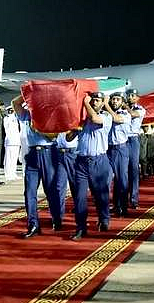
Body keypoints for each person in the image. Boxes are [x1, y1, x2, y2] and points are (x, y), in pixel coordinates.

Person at [11, 95, 61, 238]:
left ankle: (56, 218)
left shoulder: (50, 115)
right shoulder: (26, 115)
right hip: (32, 153)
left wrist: (39, 129)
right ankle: (33, 224)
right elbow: (15, 103)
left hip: (48, 152)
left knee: (50, 189)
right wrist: (29, 92)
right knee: (29, 192)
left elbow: (54, 135)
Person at [69, 92, 113, 240]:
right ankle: (81, 227)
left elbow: (94, 118)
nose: (94, 103)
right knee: (79, 196)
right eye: (92, 100)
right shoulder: (83, 118)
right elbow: (68, 138)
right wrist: (76, 128)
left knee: (101, 195)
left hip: (98, 161)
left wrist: (86, 103)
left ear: (102, 103)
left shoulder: (106, 116)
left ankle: (104, 219)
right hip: (81, 161)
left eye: (97, 100)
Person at [106, 92, 131, 216]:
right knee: (108, 179)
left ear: (122, 102)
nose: (114, 101)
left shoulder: (125, 114)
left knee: (121, 179)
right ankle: (114, 205)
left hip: (120, 149)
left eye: (117, 99)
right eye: (113, 99)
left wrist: (106, 104)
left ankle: (123, 207)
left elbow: (116, 119)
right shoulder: (107, 113)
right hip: (108, 149)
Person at [124, 89, 146, 207]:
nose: (130, 97)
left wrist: (125, 107)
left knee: (133, 169)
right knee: (122, 171)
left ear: (137, 98)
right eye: (128, 95)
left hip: (133, 140)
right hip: (122, 140)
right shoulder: (122, 109)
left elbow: (133, 114)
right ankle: (121, 200)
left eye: (133, 95)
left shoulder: (140, 109)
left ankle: (133, 199)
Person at [3, 106, 22, 182]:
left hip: (16, 141)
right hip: (10, 141)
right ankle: (8, 174)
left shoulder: (16, 118)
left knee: (14, 159)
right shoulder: (7, 118)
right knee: (9, 159)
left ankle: (13, 173)